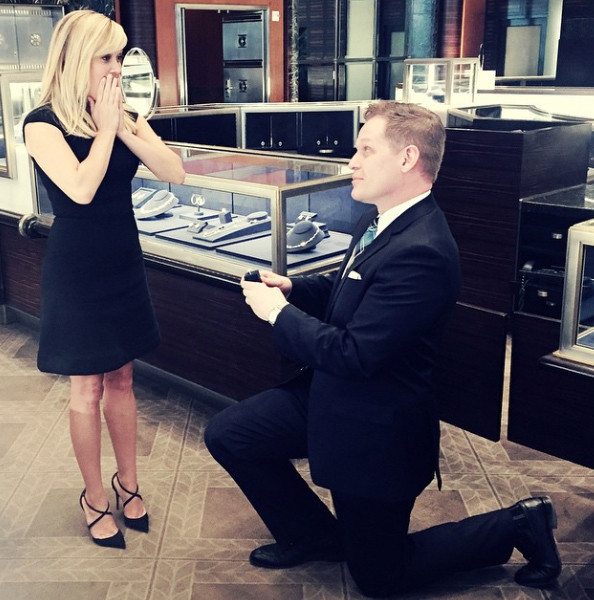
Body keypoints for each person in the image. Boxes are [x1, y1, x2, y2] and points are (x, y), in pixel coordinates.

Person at [204, 100, 561, 596]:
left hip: (376, 427)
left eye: (365, 150)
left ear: (408, 158)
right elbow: (349, 287)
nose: (352, 161)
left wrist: (277, 314)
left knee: (379, 576)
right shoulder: (381, 220)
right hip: (333, 394)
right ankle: (313, 534)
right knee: (230, 434)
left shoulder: (423, 250)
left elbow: (355, 353)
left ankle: (520, 523)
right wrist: (293, 288)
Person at [23, 10, 185, 549]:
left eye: (120, 56)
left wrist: (125, 125)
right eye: (106, 57)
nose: (116, 67)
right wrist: (108, 130)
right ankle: (94, 496)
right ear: (76, 59)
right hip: (76, 268)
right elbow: (81, 189)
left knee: (123, 377)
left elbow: (174, 172)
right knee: (86, 386)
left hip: (122, 259)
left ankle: (128, 482)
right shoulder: (42, 123)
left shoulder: (123, 114)